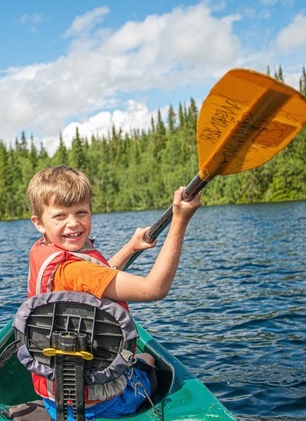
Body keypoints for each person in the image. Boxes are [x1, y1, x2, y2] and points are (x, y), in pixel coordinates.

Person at [26, 165, 202, 420]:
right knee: (151, 363)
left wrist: (131, 248)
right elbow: (154, 288)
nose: (73, 223)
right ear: (39, 222)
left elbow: (95, 276)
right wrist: (180, 220)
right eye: (60, 216)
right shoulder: (74, 270)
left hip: (56, 400)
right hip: (100, 405)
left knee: (142, 358)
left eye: (81, 212)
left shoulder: (44, 250)